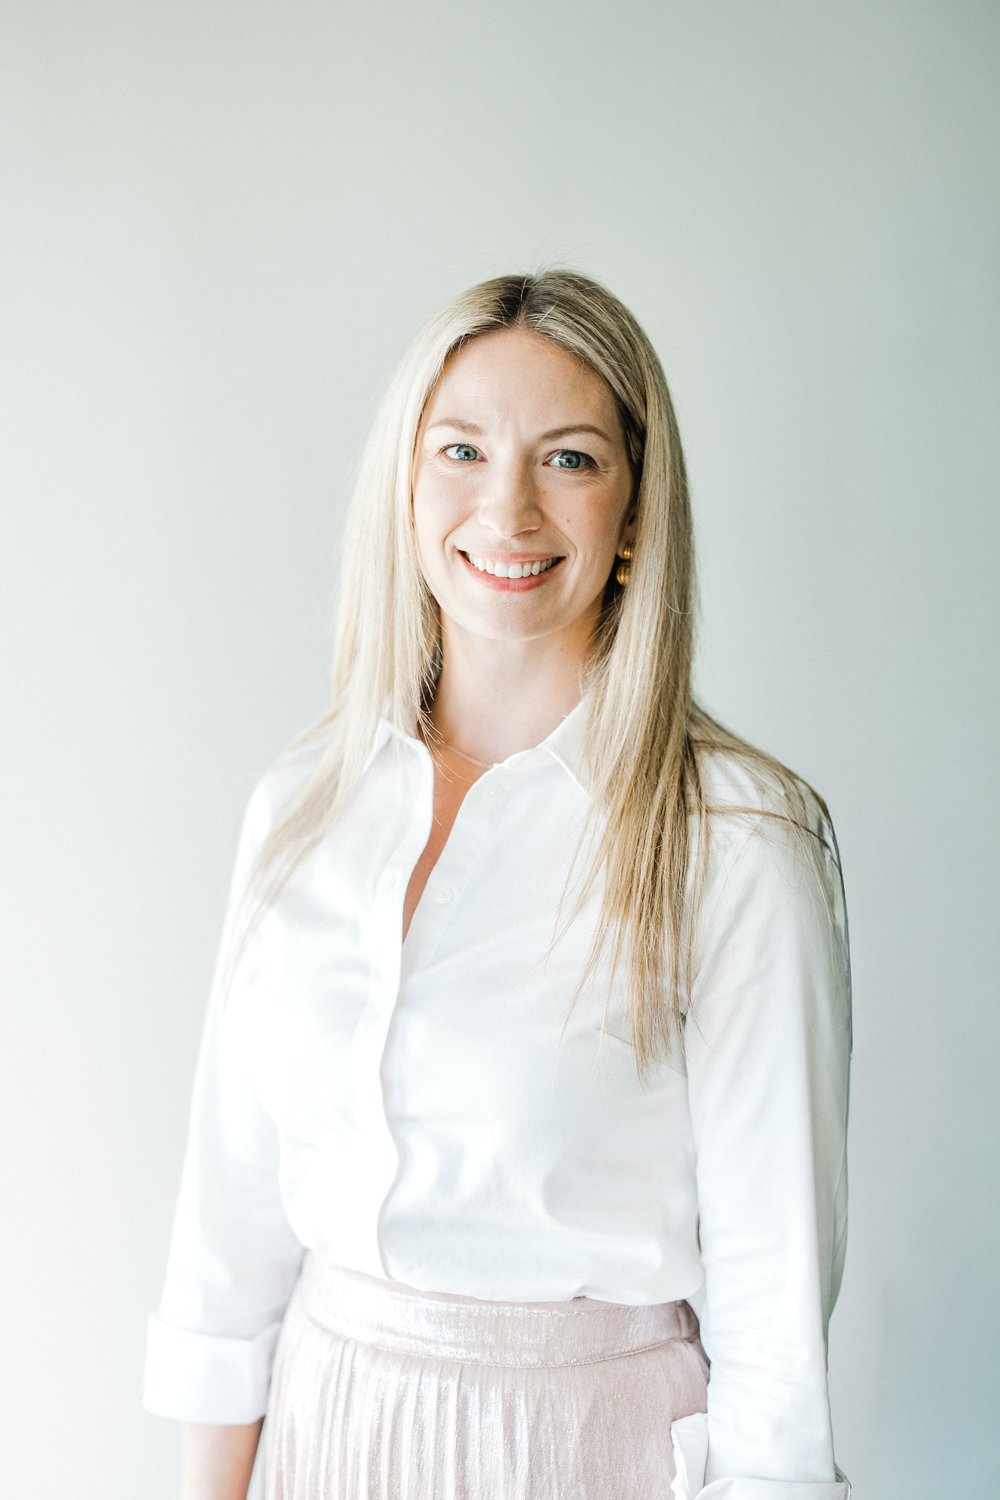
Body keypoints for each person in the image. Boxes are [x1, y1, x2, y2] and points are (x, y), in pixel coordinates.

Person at [143, 269, 853, 1500]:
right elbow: (228, 1247)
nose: (507, 508)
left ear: (635, 511)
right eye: (461, 449)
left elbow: (775, 1324)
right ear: (406, 487)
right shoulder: (302, 808)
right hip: (327, 1436)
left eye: (569, 460)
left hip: (585, 1454)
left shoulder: (734, 842)